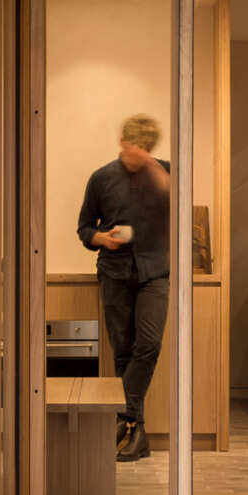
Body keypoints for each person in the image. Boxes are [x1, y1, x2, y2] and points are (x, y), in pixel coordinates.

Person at [77, 114, 171, 462]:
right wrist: (101, 238)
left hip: (155, 272)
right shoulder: (101, 178)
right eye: (134, 149)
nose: (139, 156)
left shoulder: (167, 174)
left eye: (146, 150)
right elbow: (84, 228)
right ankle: (137, 432)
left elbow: (183, 216)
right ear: (122, 143)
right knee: (122, 353)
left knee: (149, 344)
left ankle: (123, 416)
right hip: (114, 272)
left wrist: (162, 180)